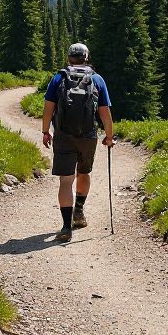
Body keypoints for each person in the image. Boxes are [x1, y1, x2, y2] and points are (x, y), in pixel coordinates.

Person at [41, 42, 114, 242]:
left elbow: (49, 107)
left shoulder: (59, 78)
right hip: (88, 135)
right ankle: (79, 213)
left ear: (69, 58)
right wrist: (109, 136)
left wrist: (46, 131)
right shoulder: (97, 79)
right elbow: (105, 112)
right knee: (84, 172)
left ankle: (66, 227)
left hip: (64, 135)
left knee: (66, 180)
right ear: (86, 57)